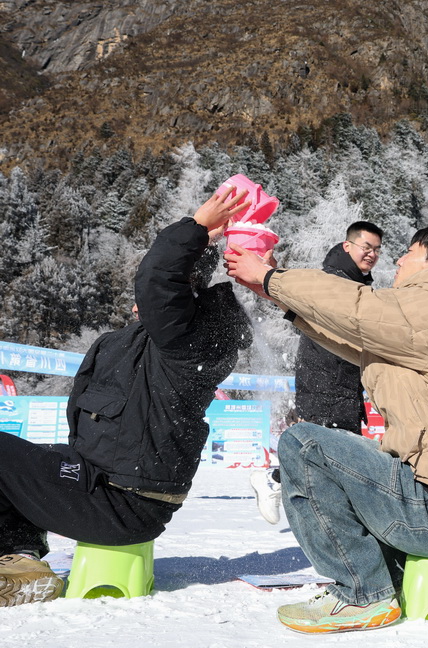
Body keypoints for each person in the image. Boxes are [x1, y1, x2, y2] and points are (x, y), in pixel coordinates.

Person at [225, 223, 428, 634]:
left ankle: (362, 594)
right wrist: (277, 294)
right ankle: (375, 580)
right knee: (345, 449)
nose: (397, 260)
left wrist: (272, 276)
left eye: (408, 252)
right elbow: (355, 338)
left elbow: (357, 307)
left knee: (303, 444)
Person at [0, 187, 253, 606]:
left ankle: (20, 559)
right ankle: (22, 561)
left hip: (122, 500)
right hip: (107, 484)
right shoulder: (146, 342)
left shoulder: (188, 341)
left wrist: (196, 227)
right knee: (20, 458)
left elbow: (158, 281)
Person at [249, 221, 383, 525]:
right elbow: (300, 294)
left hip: (342, 384)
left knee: (334, 460)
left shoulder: (354, 281)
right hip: (326, 381)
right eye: (366, 247)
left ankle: (278, 482)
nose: (372, 254)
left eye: (377, 249)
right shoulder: (335, 279)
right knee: (333, 457)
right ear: (348, 246)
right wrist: (271, 274)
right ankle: (274, 480)